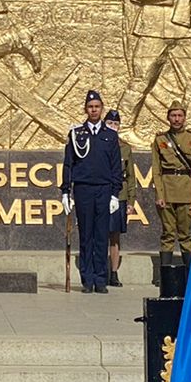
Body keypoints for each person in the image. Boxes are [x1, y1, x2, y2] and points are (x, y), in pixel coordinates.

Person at [60, 91, 123, 294]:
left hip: (104, 189)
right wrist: (65, 192)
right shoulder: (76, 133)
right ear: (85, 109)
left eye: (97, 106)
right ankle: (87, 280)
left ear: (101, 109)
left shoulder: (110, 135)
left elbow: (115, 167)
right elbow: (68, 164)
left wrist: (115, 193)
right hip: (83, 188)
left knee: (101, 235)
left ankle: (101, 279)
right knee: (86, 234)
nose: (93, 110)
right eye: (90, 107)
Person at [151, 101, 191, 271]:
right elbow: (156, 169)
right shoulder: (160, 140)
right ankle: (165, 275)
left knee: (186, 236)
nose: (177, 119)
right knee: (167, 235)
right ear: (168, 118)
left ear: (185, 117)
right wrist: (159, 194)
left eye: (180, 115)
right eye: (173, 115)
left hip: (187, 192)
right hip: (167, 191)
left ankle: (189, 276)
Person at [104, 109, 136, 288]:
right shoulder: (98, 143)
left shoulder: (125, 147)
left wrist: (131, 201)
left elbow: (131, 176)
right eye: (110, 123)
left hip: (120, 194)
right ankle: (100, 270)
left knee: (115, 236)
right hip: (102, 192)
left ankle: (113, 272)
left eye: (115, 124)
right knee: (100, 233)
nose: (113, 127)